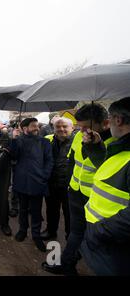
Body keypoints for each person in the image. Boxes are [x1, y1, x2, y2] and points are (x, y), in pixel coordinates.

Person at [42, 103, 114, 275]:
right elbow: (72, 162)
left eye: (86, 127)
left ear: (105, 124)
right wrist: (69, 185)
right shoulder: (78, 136)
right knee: (76, 232)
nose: (82, 132)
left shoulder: (114, 144)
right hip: (75, 192)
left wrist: (96, 146)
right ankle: (67, 263)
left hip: (98, 200)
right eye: (80, 127)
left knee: (95, 241)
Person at [79, 97, 130, 275]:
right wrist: (95, 147)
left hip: (115, 247)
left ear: (118, 120)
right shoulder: (121, 148)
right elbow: (107, 171)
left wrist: (99, 230)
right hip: (108, 246)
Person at [11, 117, 53, 252]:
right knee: (22, 209)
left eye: (37, 126)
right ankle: (22, 230)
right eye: (34, 126)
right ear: (25, 129)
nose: (37, 128)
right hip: (22, 180)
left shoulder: (45, 142)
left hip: (38, 181)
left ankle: (36, 235)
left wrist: (44, 176)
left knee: (36, 210)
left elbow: (49, 161)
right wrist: (14, 140)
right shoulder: (19, 141)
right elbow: (13, 156)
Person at [41, 117, 75, 241]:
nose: (61, 129)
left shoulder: (79, 140)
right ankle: (51, 231)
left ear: (72, 127)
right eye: (58, 127)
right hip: (52, 182)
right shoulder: (48, 140)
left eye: (65, 126)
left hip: (70, 184)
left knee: (69, 213)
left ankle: (70, 236)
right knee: (51, 209)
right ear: (53, 128)